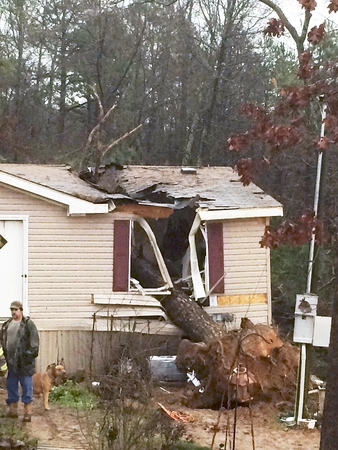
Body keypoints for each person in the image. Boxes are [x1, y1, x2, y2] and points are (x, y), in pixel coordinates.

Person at [0, 301, 39, 422]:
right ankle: (13, 411)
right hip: (10, 363)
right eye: (12, 309)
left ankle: (28, 412)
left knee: (27, 387)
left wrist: (27, 358)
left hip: (24, 364)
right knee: (11, 386)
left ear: (21, 310)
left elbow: (34, 345)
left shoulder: (28, 324)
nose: (13, 312)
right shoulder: (6, 325)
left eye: (16, 309)